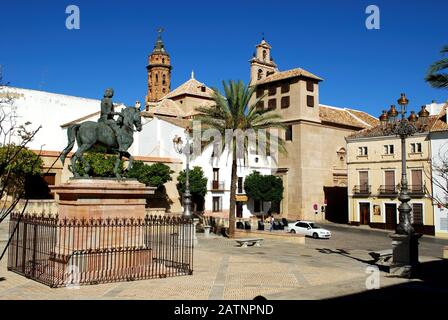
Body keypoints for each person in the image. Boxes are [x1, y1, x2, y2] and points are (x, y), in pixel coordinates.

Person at [98, 88, 125, 153]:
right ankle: (121, 147)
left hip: (101, 119)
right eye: (111, 92)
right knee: (118, 131)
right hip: (107, 119)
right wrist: (118, 113)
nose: (111, 93)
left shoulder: (103, 100)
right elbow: (107, 112)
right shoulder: (109, 100)